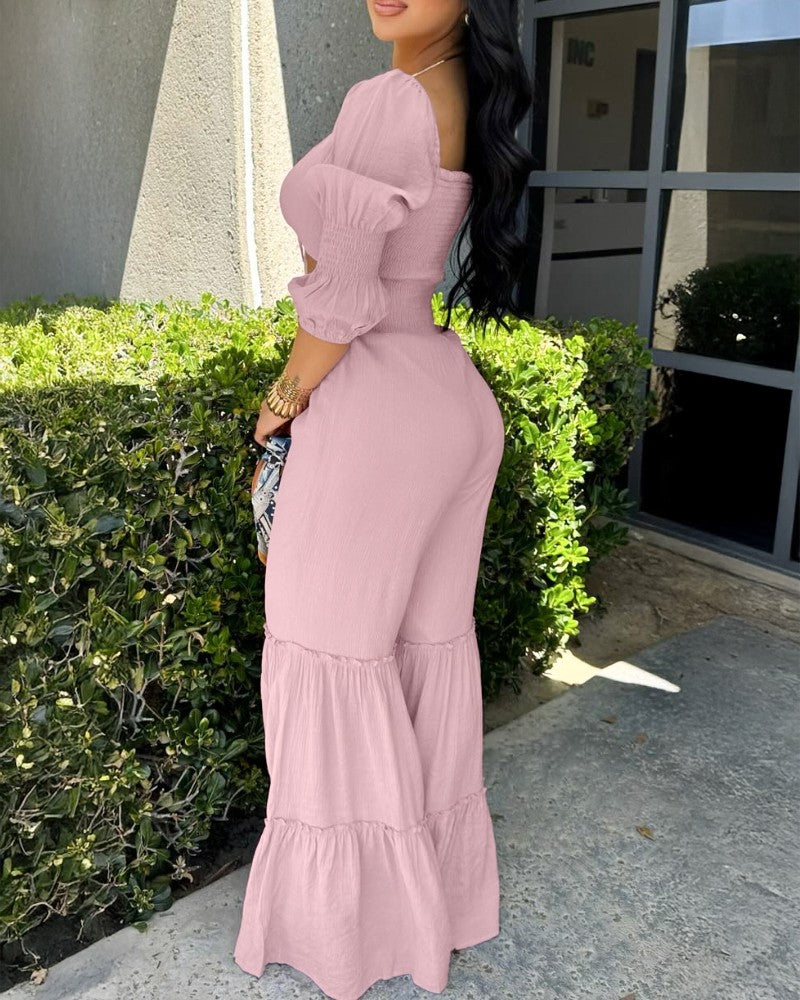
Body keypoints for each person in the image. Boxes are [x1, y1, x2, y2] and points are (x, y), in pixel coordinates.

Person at [234, 2, 534, 998]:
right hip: (447, 400)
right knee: (424, 649)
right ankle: (437, 905)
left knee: (324, 652)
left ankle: (350, 932)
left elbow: (341, 300)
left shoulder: (391, 98)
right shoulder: (462, 96)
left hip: (372, 412)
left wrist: (280, 404)